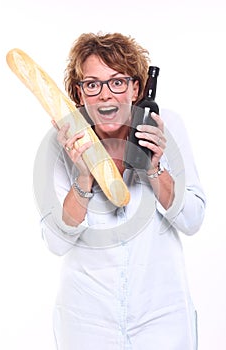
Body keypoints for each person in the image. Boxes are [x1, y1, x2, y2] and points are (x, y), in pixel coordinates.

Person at [36, 32, 206, 349]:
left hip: (162, 317)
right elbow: (56, 242)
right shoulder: (60, 142)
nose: (105, 95)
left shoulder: (165, 125)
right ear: (79, 93)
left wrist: (155, 168)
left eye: (117, 82)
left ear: (136, 88)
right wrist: (84, 177)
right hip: (86, 319)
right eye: (92, 84)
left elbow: (193, 219)